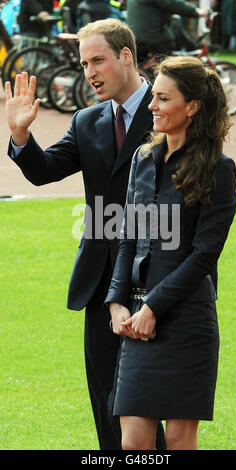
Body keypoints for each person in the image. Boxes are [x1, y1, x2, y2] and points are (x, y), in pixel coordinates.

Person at [5, 18, 167, 451]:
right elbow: (46, 171)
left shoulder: (168, 107)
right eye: (83, 64)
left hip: (154, 276)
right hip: (97, 283)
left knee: (144, 403)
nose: (90, 72)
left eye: (98, 60)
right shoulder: (87, 119)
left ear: (126, 56)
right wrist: (21, 135)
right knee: (107, 402)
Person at [105, 56, 236, 450]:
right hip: (137, 318)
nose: (151, 106)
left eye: (162, 98)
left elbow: (204, 254)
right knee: (133, 444)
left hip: (187, 321)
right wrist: (117, 303)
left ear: (192, 106)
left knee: (180, 441)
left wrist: (153, 309)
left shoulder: (218, 167)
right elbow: (127, 237)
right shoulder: (142, 159)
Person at [126, 0, 209, 56]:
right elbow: (173, 3)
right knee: (170, 64)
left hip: (135, 34)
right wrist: (196, 11)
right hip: (153, 35)